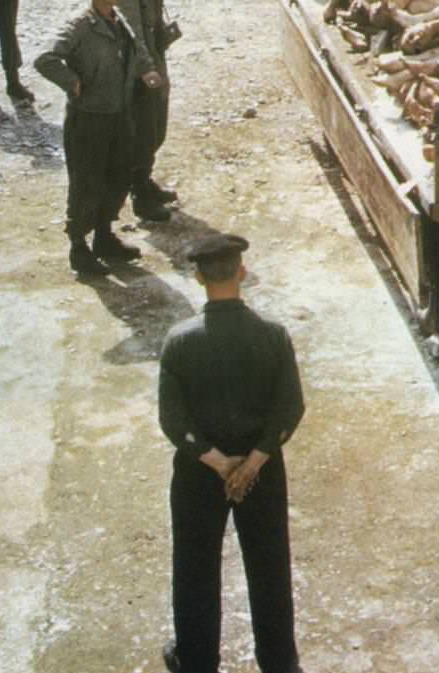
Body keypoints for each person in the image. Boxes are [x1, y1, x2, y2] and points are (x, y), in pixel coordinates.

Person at [159, 234, 305, 673]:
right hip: (261, 472)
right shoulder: (273, 336)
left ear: (198, 277)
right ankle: (279, 663)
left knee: (195, 567)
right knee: (269, 567)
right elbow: (290, 407)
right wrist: (254, 460)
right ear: (241, 273)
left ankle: (197, 660)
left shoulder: (179, 342)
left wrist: (220, 463)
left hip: (199, 474)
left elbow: (173, 419)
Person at [35, 0, 163, 276]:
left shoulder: (118, 19)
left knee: (119, 176)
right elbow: (45, 59)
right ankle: (79, 247)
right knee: (87, 182)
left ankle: (105, 237)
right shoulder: (80, 25)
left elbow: (138, 49)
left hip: (119, 114)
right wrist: (73, 84)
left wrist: (147, 71)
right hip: (89, 119)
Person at [117, 0, 180, 223]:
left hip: (156, 55)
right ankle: (140, 195)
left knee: (158, 127)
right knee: (145, 130)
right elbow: (133, 33)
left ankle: (146, 179)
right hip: (141, 65)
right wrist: (147, 69)